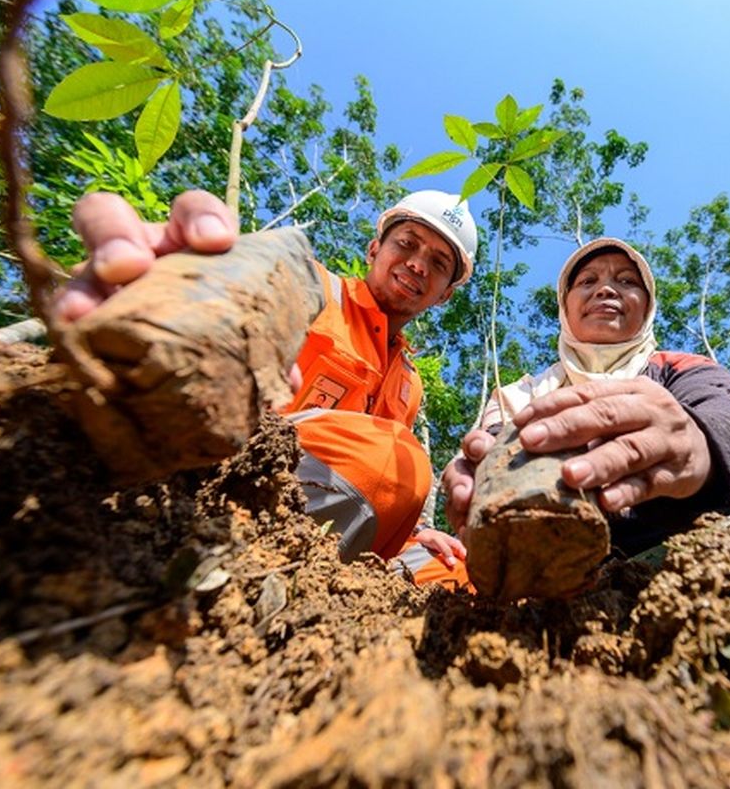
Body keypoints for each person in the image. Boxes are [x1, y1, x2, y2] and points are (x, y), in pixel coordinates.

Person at [58, 189, 471, 580]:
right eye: (407, 243)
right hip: (231, 485)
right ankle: (250, 574)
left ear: (445, 295)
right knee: (390, 459)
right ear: (374, 248)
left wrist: (416, 532)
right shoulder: (317, 289)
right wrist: (178, 287)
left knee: (458, 570)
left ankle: (345, 604)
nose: (418, 264)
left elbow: (386, 493)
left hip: (347, 529)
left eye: (438, 263)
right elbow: (247, 289)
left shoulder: (409, 385)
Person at [442, 237, 730, 560]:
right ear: (564, 306)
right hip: (557, 570)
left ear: (648, 307)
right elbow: (494, 451)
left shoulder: (682, 369)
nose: (606, 290)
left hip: (700, 553)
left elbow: (729, 426)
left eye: (626, 281)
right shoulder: (517, 395)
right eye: (587, 281)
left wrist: (697, 448)